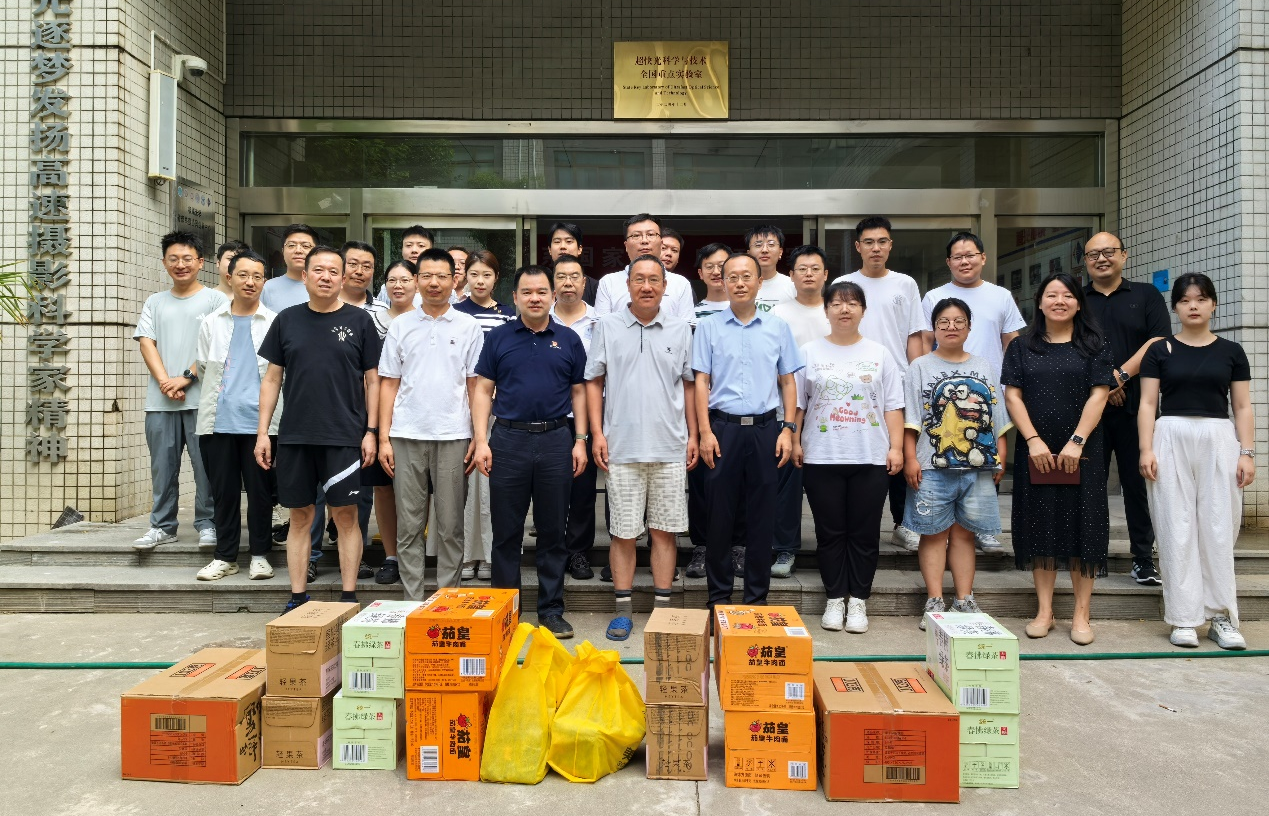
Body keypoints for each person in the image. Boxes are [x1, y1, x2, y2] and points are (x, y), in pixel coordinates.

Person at [255, 246, 381, 612]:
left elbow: (373, 380)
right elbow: (272, 379)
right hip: (295, 436)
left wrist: (371, 431)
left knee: (346, 516)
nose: (326, 277)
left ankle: (349, 597)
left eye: (333, 271)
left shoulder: (359, 321)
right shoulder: (287, 320)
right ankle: (297, 597)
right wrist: (263, 433)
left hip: (344, 436)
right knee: (300, 516)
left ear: (343, 278)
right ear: (305, 276)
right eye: (318, 270)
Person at [471, 265, 589, 638]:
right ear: (516, 297)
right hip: (508, 440)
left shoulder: (568, 339)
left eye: (541, 292)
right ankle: (505, 611)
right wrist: (481, 440)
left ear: (552, 295)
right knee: (506, 532)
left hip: (556, 440)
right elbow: (482, 390)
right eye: (527, 292)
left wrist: (580, 439)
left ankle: (551, 610)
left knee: (553, 531)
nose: (535, 298)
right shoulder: (499, 338)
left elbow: (579, 392)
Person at [1139, 273, 1255, 650]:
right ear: (1175, 307)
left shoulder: (1231, 351)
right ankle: (1184, 617)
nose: (1193, 306)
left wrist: (1247, 452)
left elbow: (1242, 406)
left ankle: (1221, 616)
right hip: (1170, 435)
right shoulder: (1159, 350)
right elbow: (1147, 403)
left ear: (1213, 305)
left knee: (1219, 527)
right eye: (1186, 300)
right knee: (1175, 527)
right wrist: (1145, 449)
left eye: (1201, 299)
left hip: (1219, 437)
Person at [587, 255, 698, 640]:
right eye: (639, 279)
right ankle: (623, 610)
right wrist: (596, 434)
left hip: (669, 447)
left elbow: (689, 385)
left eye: (654, 280)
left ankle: (662, 610)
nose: (647, 286)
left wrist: (694, 435)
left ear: (665, 287)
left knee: (665, 532)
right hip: (621, 447)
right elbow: (594, 381)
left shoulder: (681, 329)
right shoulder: (607, 326)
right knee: (622, 533)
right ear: (628, 285)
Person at [1002, 274, 1114, 645]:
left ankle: (1082, 614)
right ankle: (1045, 610)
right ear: (1039, 302)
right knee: (1041, 525)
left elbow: (1100, 394)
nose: (1059, 301)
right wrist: (1033, 440)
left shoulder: (1094, 344)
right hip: (1037, 450)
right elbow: (1013, 396)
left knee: (1086, 525)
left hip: (1084, 450)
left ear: (1079, 303)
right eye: (1052, 295)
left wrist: (1077, 441)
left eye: (1067, 295)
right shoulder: (1022, 346)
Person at [693, 253, 804, 609]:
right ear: (723, 282)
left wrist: (788, 429)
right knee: (719, 516)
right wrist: (704, 432)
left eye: (746, 276)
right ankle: (718, 598)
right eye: (732, 277)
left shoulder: (778, 327)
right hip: (722, 429)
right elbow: (701, 382)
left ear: (759, 282)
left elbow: (788, 382)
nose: (739, 283)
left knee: (762, 517)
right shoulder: (709, 327)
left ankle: (757, 599)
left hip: (766, 430)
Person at [794, 280, 904, 632]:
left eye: (852, 303)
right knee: (829, 533)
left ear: (863, 310)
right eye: (837, 303)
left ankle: (858, 600)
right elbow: (798, 404)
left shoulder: (880, 353)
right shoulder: (808, 352)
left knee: (864, 532)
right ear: (825, 310)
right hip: (821, 457)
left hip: (870, 457)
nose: (845, 309)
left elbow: (893, 406)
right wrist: (795, 440)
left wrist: (896, 447)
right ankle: (834, 598)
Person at [379, 249, 484, 600]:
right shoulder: (400, 325)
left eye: (442, 276)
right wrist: (383, 438)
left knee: (451, 525)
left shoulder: (469, 326)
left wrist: (478, 436)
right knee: (409, 525)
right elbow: (388, 384)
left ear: (455, 280)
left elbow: (475, 385)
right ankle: (411, 601)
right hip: (406, 434)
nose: (434, 283)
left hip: (454, 435)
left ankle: (446, 599)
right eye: (426, 276)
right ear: (416, 280)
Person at [904, 298, 1011, 629]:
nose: (951, 327)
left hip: (978, 467)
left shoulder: (984, 366)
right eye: (944, 322)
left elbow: (997, 416)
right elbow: (911, 418)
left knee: (966, 535)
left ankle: (964, 599)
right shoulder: (920, 366)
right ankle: (935, 600)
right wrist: (910, 458)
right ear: (934, 328)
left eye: (958, 321)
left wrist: (1001, 455)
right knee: (933, 534)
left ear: (969, 327)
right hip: (931, 465)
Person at [921, 232, 1026, 554]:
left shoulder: (1001, 296)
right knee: (947, 450)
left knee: (986, 454)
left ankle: (982, 528)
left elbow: (1012, 343)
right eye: (958, 257)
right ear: (948, 262)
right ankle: (940, 525)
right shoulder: (934, 296)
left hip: (987, 392)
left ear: (983, 257)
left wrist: (1013, 384)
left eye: (970, 255)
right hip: (944, 390)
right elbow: (925, 341)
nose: (964, 261)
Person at [1082, 233, 1170, 587]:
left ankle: (1143, 560)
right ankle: (1092, 554)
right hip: (1089, 407)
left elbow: (1158, 341)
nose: (1101, 259)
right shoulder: (1077, 299)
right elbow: (1070, 345)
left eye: (1109, 252)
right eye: (1093, 254)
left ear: (1124, 255)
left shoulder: (1147, 296)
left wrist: (1118, 377)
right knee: (1090, 484)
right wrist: (1104, 385)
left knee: (1138, 484)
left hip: (1138, 407)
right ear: (1085, 261)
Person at [131, 231, 227, 551]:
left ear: (201, 262)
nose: (180, 264)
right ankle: (162, 526)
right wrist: (165, 382)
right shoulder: (155, 302)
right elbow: (147, 342)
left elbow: (219, 345)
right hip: (161, 402)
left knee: (207, 469)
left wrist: (185, 378)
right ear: (164, 263)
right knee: (162, 469)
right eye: (173, 259)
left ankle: (208, 524)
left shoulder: (215, 300)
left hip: (204, 401)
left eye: (187, 258)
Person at [836, 217, 927, 552]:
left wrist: (916, 378)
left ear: (890, 245)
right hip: (854, 384)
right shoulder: (844, 283)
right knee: (861, 453)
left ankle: (904, 524)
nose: (876, 248)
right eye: (869, 242)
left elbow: (914, 335)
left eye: (882, 241)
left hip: (897, 382)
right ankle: (856, 525)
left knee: (901, 450)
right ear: (858, 246)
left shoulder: (905, 284)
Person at [193, 250, 277, 581]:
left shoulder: (274, 323)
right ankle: (225, 557)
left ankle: (259, 555)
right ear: (229, 278)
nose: (250, 282)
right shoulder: (212, 322)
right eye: (243, 275)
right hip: (218, 422)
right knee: (223, 494)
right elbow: (203, 368)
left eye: (257, 276)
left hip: (261, 425)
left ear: (264, 281)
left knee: (260, 494)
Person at [306, 240, 385, 583]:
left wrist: (373, 427)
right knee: (313, 495)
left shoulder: (379, 314)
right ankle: (311, 556)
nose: (359, 271)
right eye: (352, 263)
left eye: (367, 266)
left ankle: (354, 557)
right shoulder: (308, 311)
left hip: (356, 418)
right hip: (314, 417)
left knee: (358, 494)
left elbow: (375, 376)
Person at [767, 245, 832, 578]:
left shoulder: (836, 310)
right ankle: (785, 548)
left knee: (828, 486)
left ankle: (831, 549)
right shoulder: (778, 314)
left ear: (826, 274)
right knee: (786, 483)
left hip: (831, 412)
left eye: (815, 268)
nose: (808, 274)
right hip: (787, 410)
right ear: (790, 275)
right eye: (802, 269)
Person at [454, 249, 515, 580]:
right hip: (457, 408)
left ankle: (490, 553)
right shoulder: (453, 312)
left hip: (496, 409)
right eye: (474, 274)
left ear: (496, 278)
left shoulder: (509, 316)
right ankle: (464, 556)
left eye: (487, 275)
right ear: (465, 276)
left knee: (491, 486)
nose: (480, 281)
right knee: (460, 487)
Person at [364, 259, 420, 585]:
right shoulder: (369, 320)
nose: (398, 286)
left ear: (417, 282)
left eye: (405, 279)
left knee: (420, 490)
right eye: (392, 280)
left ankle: (416, 552)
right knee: (383, 487)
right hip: (377, 414)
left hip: (417, 417)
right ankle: (391, 556)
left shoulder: (426, 319)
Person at [684, 242, 734, 579]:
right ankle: (701, 547)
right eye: (710, 266)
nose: (717, 272)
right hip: (703, 409)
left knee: (740, 484)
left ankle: (738, 546)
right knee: (702, 482)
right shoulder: (691, 315)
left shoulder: (752, 312)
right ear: (700, 273)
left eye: (723, 266)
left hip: (740, 411)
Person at [551, 254, 601, 580]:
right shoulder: (539, 318)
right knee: (550, 487)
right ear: (553, 283)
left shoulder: (600, 322)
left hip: (589, 414)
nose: (568, 283)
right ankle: (554, 549)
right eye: (561, 277)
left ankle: (579, 551)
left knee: (583, 487)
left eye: (574, 277)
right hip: (550, 416)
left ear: (584, 282)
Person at [594, 214, 695, 321]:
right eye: (636, 235)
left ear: (661, 243)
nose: (644, 241)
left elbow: (686, 327)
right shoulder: (608, 282)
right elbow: (601, 326)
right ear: (626, 246)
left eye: (650, 234)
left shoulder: (681, 283)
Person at [260, 224, 319, 313]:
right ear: (283, 251)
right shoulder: (268, 287)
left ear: (316, 252)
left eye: (305, 246)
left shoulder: (326, 286)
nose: (298, 250)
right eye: (291, 245)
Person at [375, 225, 435, 304]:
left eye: (421, 246)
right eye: (409, 245)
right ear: (402, 250)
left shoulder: (442, 285)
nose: (414, 250)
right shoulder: (388, 287)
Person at [546, 221, 598, 305]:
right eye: (557, 242)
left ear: (579, 249)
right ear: (549, 250)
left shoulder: (595, 287)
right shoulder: (541, 284)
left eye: (569, 241)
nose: (563, 246)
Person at [747, 224, 796, 313]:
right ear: (749, 253)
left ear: (780, 252)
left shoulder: (792, 286)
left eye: (771, 244)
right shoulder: (740, 286)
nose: (765, 250)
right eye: (758, 245)